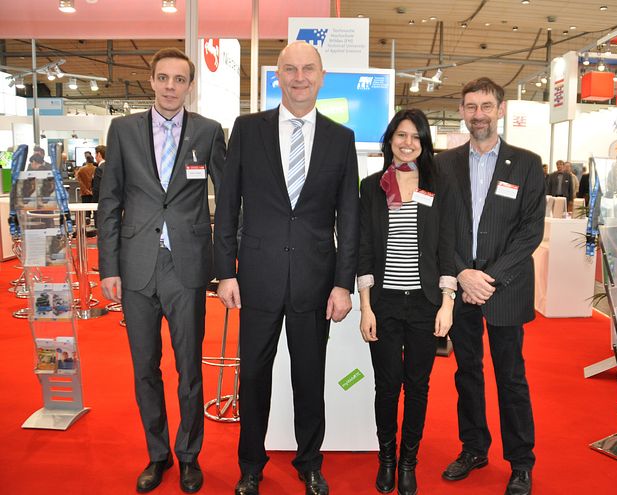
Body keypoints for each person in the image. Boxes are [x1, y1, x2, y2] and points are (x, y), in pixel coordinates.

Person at [213, 41, 359, 495]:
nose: (299, 78)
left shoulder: (341, 138)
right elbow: (228, 205)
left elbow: (348, 218)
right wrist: (225, 272)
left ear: (321, 77)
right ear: (277, 76)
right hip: (255, 277)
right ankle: (251, 466)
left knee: (309, 377)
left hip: (315, 282)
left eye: (308, 70)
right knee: (253, 376)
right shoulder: (247, 128)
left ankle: (309, 462)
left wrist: (343, 284)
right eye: (290, 69)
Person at [97, 47, 226, 494]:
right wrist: (107, 267)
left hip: (187, 268)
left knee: (189, 369)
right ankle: (158, 454)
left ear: (190, 85)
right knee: (144, 368)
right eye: (164, 78)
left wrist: (226, 266)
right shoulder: (123, 130)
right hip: (135, 268)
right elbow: (110, 201)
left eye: (180, 79)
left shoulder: (209, 133)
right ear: (151, 81)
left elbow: (227, 201)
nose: (171, 86)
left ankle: (189, 455)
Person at [435, 77, 545, 495]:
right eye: (470, 106)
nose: (477, 114)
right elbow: (440, 229)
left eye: (485, 106)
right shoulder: (444, 165)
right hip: (459, 287)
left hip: (506, 288)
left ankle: (520, 462)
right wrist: (463, 274)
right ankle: (474, 447)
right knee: (467, 374)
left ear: (500, 109)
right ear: (462, 111)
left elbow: (530, 231)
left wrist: (489, 278)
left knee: (511, 376)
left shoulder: (528, 163)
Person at [357, 109, 456, 495]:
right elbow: (365, 248)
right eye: (401, 134)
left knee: (417, 386)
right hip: (383, 303)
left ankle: (408, 462)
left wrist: (447, 304)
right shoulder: (372, 187)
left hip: (424, 303)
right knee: (386, 385)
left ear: (424, 143)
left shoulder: (437, 186)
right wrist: (365, 306)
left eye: (416, 136)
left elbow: (447, 247)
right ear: (390, 140)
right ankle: (386, 458)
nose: (407, 142)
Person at [75, 155, 96, 222]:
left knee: (86, 209)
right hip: (94, 192)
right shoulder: (96, 169)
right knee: (94, 208)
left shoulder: (81, 169)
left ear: (86, 160)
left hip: (84, 192)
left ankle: (87, 220)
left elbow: (78, 179)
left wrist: (85, 190)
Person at [91, 145, 107, 227]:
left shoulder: (99, 169)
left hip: (101, 204)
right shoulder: (112, 167)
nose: (95, 157)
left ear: (99, 154)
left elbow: (97, 189)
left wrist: (94, 204)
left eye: (95, 154)